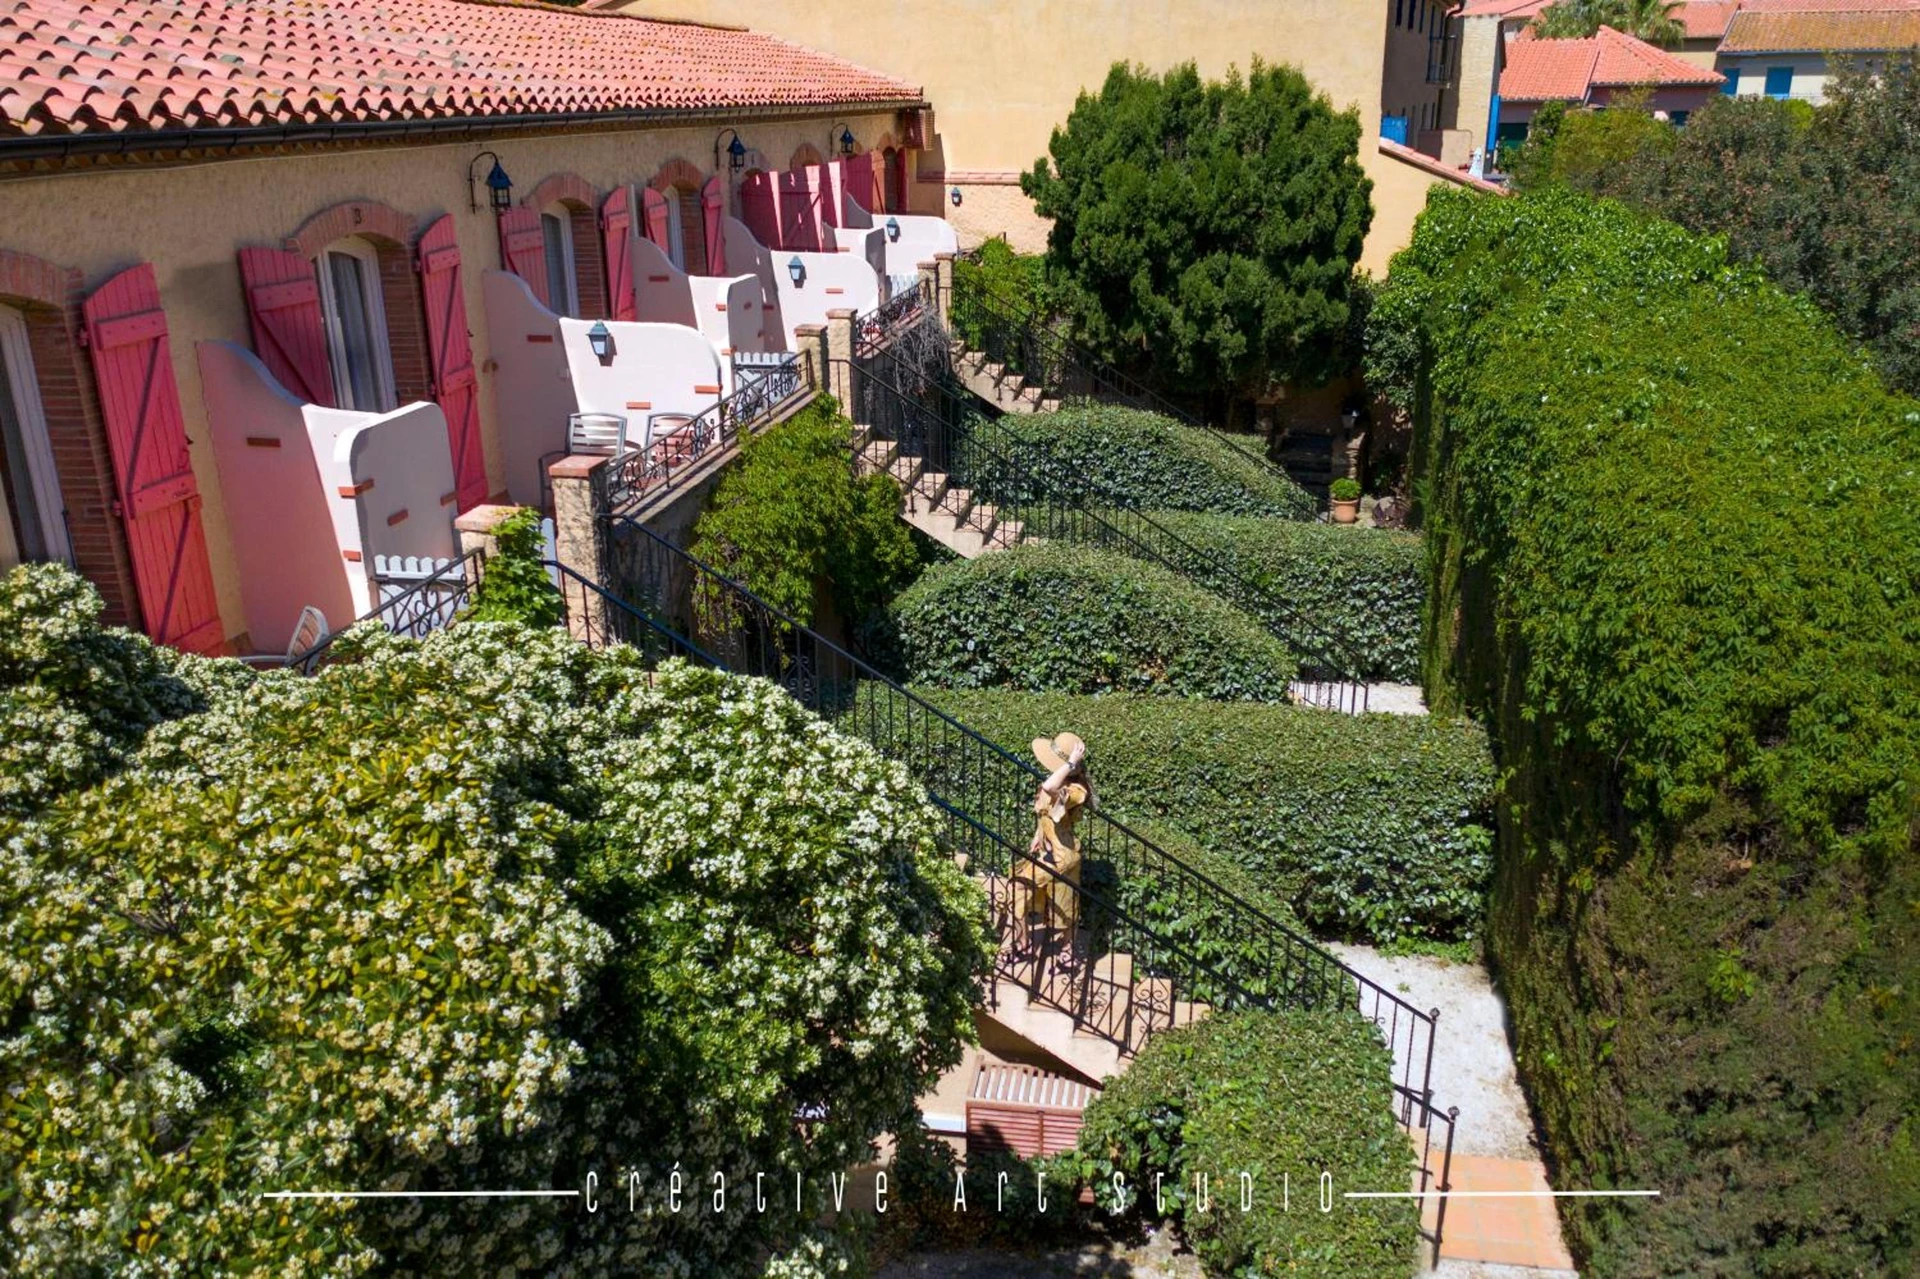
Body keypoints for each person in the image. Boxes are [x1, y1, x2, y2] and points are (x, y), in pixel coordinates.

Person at [1018, 731, 1094, 968]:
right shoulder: (1058, 781)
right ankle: (1023, 940)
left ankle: (1068, 949)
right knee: (1018, 889)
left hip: (1063, 856)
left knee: (1065, 905)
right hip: (1046, 852)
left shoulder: (1076, 791)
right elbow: (1045, 814)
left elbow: (1051, 788)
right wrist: (1037, 836)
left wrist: (1071, 763)